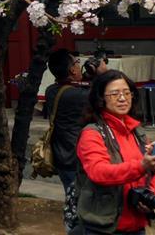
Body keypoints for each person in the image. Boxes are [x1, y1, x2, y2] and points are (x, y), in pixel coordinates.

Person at [75, 69, 155, 235]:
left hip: (136, 224)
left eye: (127, 93)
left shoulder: (137, 132)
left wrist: (151, 194)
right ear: (101, 99)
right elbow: (99, 172)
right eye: (114, 94)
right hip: (104, 227)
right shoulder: (92, 133)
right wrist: (142, 165)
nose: (122, 98)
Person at [43, 49, 89, 233]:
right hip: (74, 156)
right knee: (79, 204)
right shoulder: (75, 95)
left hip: (61, 154)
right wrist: (101, 74)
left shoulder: (51, 90)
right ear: (71, 70)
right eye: (77, 62)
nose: (80, 65)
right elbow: (102, 95)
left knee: (72, 199)